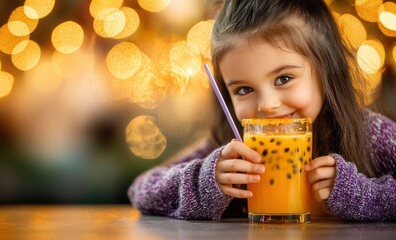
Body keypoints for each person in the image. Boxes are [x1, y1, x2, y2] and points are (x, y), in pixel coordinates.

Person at [128, 0, 396, 221]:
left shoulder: (369, 133)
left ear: (326, 69)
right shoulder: (230, 148)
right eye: (243, 90)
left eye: (283, 79)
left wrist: (362, 194)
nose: (267, 105)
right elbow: (142, 189)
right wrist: (204, 182)